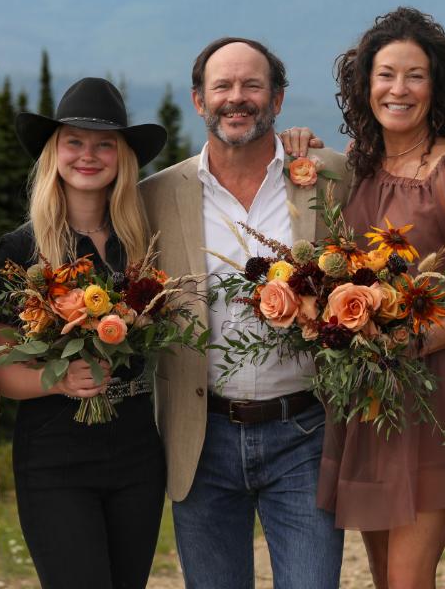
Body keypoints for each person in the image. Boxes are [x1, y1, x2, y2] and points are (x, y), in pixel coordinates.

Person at [315, 7, 445, 589]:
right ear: (364, 86)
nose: (398, 89)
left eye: (415, 75)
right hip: (369, 394)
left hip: (434, 392)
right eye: (385, 75)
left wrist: (410, 342)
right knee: (383, 576)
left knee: (408, 580)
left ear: (438, 87)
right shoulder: (362, 168)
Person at [139, 37, 348, 589]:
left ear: (278, 100)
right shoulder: (158, 195)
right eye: (223, 87)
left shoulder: (328, 176)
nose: (238, 98)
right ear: (198, 100)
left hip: (305, 431)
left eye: (252, 86)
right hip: (200, 436)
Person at [0, 77, 168, 589]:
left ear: (122, 158)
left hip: (137, 452)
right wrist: (58, 381)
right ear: (54, 153)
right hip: (55, 455)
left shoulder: (142, 247)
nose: (89, 155)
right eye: (74, 142)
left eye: (105, 144)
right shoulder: (21, 251)